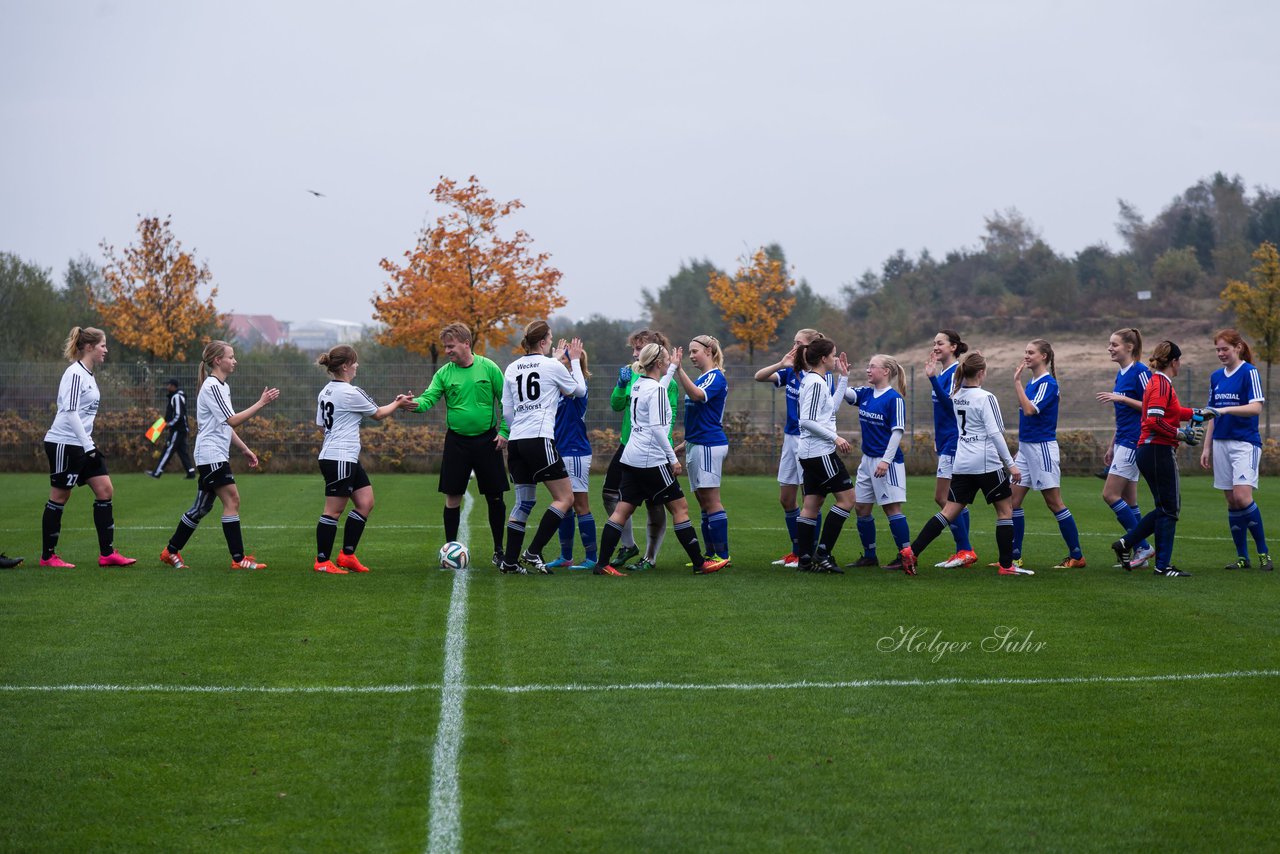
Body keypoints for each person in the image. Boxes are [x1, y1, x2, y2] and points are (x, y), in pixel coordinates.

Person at [593, 343, 729, 576]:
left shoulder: (639, 384)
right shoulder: (654, 390)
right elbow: (657, 428)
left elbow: (658, 390)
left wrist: (674, 367)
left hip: (631, 456)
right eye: (666, 359)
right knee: (681, 508)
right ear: (658, 363)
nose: (668, 362)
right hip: (651, 459)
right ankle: (700, 563)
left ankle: (602, 564)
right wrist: (672, 459)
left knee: (622, 510)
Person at [899, 351, 1023, 576]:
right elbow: (995, 434)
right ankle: (1007, 566)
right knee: (1005, 512)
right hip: (986, 462)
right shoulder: (986, 397)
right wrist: (1010, 465)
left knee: (948, 512)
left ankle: (912, 551)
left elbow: (949, 407)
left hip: (962, 462)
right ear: (982, 373)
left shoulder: (956, 395)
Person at [159, 341, 279, 570]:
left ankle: (170, 551)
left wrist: (244, 448)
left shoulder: (222, 387)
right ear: (217, 361)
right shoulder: (212, 386)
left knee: (200, 508)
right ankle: (238, 559)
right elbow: (232, 420)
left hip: (211, 455)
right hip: (211, 455)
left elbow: (224, 426)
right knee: (232, 500)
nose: (235, 361)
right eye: (231, 357)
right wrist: (261, 403)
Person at [410, 323, 510, 568]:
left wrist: (505, 431)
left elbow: (507, 401)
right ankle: (450, 550)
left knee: (495, 497)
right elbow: (428, 399)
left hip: (488, 441)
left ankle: (499, 551)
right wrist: (412, 403)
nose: (447, 351)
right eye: (445, 346)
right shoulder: (444, 373)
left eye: (451, 346)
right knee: (452, 496)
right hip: (456, 442)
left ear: (466, 343)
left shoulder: (489, 368)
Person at [39, 326, 136, 568]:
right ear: (90, 347)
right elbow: (70, 412)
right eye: (103, 345)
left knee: (105, 489)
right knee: (60, 495)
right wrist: (87, 445)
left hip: (84, 445)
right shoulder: (74, 373)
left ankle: (107, 554)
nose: (106, 350)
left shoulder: (89, 375)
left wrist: (88, 445)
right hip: (64, 443)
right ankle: (48, 557)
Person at [312, 345, 415, 574]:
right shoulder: (350, 392)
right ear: (346, 366)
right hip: (339, 458)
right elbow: (378, 414)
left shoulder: (326, 391)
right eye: (355, 362)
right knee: (333, 511)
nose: (357, 365)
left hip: (343, 457)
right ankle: (321, 562)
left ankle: (347, 556)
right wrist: (398, 402)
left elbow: (320, 426)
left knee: (365, 502)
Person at [497, 321, 587, 574]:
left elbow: (507, 410)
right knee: (565, 498)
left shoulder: (512, 367)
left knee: (523, 503)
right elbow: (578, 391)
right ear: (545, 341)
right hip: (539, 439)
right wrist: (576, 361)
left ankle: (510, 562)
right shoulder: (552, 365)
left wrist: (520, 431)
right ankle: (533, 551)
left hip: (516, 442)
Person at [1110, 341, 1205, 577]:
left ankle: (1126, 543)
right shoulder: (1162, 384)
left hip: (1149, 450)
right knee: (1170, 509)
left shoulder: (1157, 381)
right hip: (1157, 450)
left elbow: (1171, 412)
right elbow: (1154, 420)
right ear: (1175, 362)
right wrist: (1180, 433)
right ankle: (1163, 566)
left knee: (1165, 507)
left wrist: (1196, 413)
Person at [1006, 339, 1086, 569]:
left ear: (1044, 356)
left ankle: (1077, 555)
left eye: (1031, 352)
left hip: (1042, 449)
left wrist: (1017, 384)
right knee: (1013, 500)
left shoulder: (1047, 384)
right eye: (1025, 352)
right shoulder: (1034, 382)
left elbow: (1030, 410)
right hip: (1026, 448)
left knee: (1054, 502)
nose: (1026, 355)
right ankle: (1014, 556)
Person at [604, 328, 679, 571]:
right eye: (633, 349)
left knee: (655, 503)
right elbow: (616, 406)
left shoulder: (665, 382)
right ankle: (628, 545)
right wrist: (619, 385)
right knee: (609, 494)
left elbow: (667, 419)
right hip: (628, 445)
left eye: (639, 349)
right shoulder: (631, 375)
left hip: (652, 450)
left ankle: (650, 556)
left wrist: (665, 453)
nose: (634, 354)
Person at [752, 328, 827, 568]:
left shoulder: (819, 376)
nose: (793, 347)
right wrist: (780, 363)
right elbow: (759, 377)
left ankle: (810, 553)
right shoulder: (791, 372)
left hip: (810, 442)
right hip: (790, 439)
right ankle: (796, 552)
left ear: (810, 348)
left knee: (810, 500)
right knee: (786, 499)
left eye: (798, 343)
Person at [1200, 328, 1271, 571]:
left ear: (1238, 347)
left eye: (1225, 349)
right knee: (1232, 502)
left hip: (1244, 443)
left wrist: (1227, 410)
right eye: (1217, 349)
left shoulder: (1249, 372)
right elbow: (1212, 414)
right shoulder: (1216, 377)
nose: (1220, 353)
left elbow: (1255, 408)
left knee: (1243, 497)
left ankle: (1264, 554)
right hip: (1220, 442)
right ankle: (1243, 558)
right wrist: (1207, 446)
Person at [1095, 328, 1155, 568]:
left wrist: (1122, 398)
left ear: (1130, 347)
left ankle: (1141, 545)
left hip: (1134, 441)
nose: (1110, 348)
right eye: (1109, 344)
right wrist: (1112, 444)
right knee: (1130, 501)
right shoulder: (1121, 374)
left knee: (1110, 495)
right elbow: (1123, 417)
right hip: (1123, 441)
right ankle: (1141, 555)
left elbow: (1152, 406)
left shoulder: (1140, 372)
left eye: (1114, 345)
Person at [844, 356, 912, 568]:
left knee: (892, 509)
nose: (868, 370)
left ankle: (906, 557)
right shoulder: (866, 393)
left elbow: (897, 432)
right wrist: (840, 375)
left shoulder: (894, 399)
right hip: (867, 461)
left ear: (886, 372)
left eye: (872, 366)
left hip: (887, 463)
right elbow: (844, 393)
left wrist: (885, 460)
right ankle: (869, 556)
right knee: (862, 508)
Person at [793, 338, 854, 573]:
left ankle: (805, 560)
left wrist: (844, 378)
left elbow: (830, 410)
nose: (836, 358)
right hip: (819, 452)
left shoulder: (814, 380)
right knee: (847, 500)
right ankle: (823, 552)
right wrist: (835, 438)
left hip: (810, 452)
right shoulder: (816, 383)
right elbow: (806, 421)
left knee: (811, 505)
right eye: (834, 355)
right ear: (823, 358)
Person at [673, 334, 730, 564]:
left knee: (711, 500)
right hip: (697, 444)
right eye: (689, 352)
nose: (691, 356)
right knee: (703, 502)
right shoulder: (703, 378)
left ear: (709, 351)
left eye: (694, 351)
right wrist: (683, 446)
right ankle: (710, 554)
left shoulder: (716, 377)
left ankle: (722, 555)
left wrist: (678, 370)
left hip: (709, 444)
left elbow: (697, 397)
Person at [923, 330, 978, 568]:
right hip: (946, 440)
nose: (936, 347)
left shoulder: (956, 373)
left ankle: (965, 549)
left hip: (955, 441)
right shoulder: (946, 372)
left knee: (943, 498)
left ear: (953, 347)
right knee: (951, 499)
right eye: (934, 343)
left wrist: (932, 379)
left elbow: (950, 406)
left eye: (940, 343)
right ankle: (963, 551)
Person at [547, 345, 599, 570]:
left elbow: (577, 388)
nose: (561, 362)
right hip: (559, 450)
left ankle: (591, 558)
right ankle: (565, 556)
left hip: (575, 452)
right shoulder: (556, 388)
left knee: (580, 504)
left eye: (566, 360)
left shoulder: (579, 386)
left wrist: (575, 361)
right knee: (564, 505)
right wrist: (553, 359)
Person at [148, 378, 196, 479]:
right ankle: (191, 473)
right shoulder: (175, 396)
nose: (167, 387)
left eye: (169, 385)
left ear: (173, 386)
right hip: (180, 429)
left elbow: (178, 415)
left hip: (178, 429)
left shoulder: (176, 397)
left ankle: (157, 472)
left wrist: (169, 424)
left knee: (168, 450)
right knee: (182, 452)